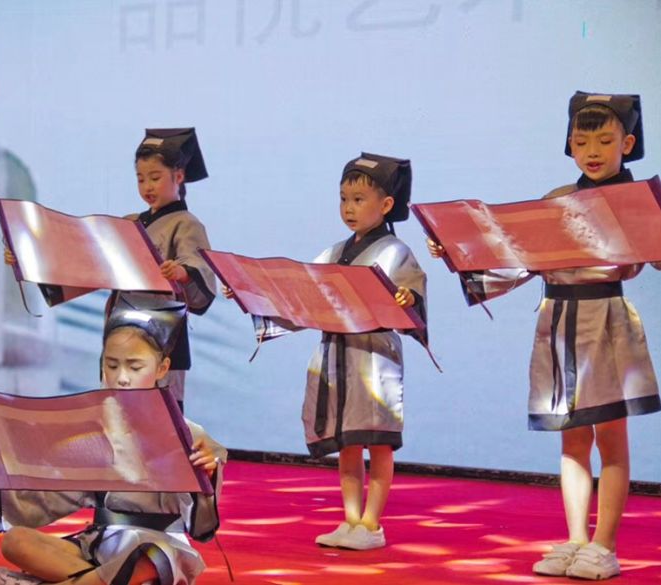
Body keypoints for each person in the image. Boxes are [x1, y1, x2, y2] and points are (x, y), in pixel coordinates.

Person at [427, 92, 659, 580]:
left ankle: (604, 545)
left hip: (606, 318)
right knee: (572, 440)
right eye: (581, 141)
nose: (592, 151)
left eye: (605, 140)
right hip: (556, 321)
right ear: (569, 145)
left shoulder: (639, 201)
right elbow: (520, 259)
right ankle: (575, 540)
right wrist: (457, 252)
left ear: (627, 144)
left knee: (611, 439)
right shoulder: (557, 199)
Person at [0, 294, 225, 585]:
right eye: (112, 365)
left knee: (152, 556)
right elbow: (44, 494)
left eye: (135, 367)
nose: (122, 377)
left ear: (162, 368)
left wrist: (205, 480)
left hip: (154, 550)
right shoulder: (94, 430)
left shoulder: (190, 435)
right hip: (98, 548)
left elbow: (201, 527)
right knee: (14, 543)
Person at [243, 153, 426, 550]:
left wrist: (407, 297)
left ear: (386, 204)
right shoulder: (332, 252)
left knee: (378, 441)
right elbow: (303, 295)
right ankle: (351, 519)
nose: (349, 208)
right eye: (344, 199)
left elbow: (412, 294)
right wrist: (251, 293)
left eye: (358, 200)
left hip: (373, 357)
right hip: (335, 354)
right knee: (347, 443)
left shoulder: (395, 252)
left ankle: (372, 524)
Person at [8, 128, 217, 410]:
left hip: (163, 334)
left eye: (155, 178)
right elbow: (91, 267)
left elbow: (200, 269)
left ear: (178, 176)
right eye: (141, 179)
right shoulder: (129, 223)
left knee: (159, 412)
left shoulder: (187, 224)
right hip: (121, 329)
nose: (147, 186)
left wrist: (182, 272)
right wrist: (28, 261)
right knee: (118, 411)